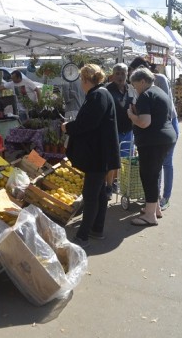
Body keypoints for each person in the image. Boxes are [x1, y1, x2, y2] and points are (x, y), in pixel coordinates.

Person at [62, 64, 120, 248]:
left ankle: (83, 236)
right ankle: (97, 228)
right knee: (100, 192)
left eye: (81, 79)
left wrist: (68, 127)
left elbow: (88, 123)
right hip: (99, 152)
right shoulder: (99, 94)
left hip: (97, 154)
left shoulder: (98, 95)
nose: (80, 83)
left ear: (86, 80)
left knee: (90, 194)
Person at [126, 67, 177, 226]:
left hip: (153, 142)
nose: (135, 89)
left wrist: (131, 116)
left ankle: (150, 216)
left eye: (135, 85)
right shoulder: (160, 92)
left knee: (148, 176)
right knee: (153, 174)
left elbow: (144, 122)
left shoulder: (146, 95)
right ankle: (154, 209)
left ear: (142, 81)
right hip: (165, 138)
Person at [105, 63, 135, 193]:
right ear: (113, 75)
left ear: (127, 74)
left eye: (123, 73)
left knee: (126, 160)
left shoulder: (131, 89)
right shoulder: (107, 90)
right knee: (112, 161)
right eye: (117, 73)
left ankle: (121, 184)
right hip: (112, 131)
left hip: (128, 131)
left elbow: (134, 107)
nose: (120, 76)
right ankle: (109, 186)